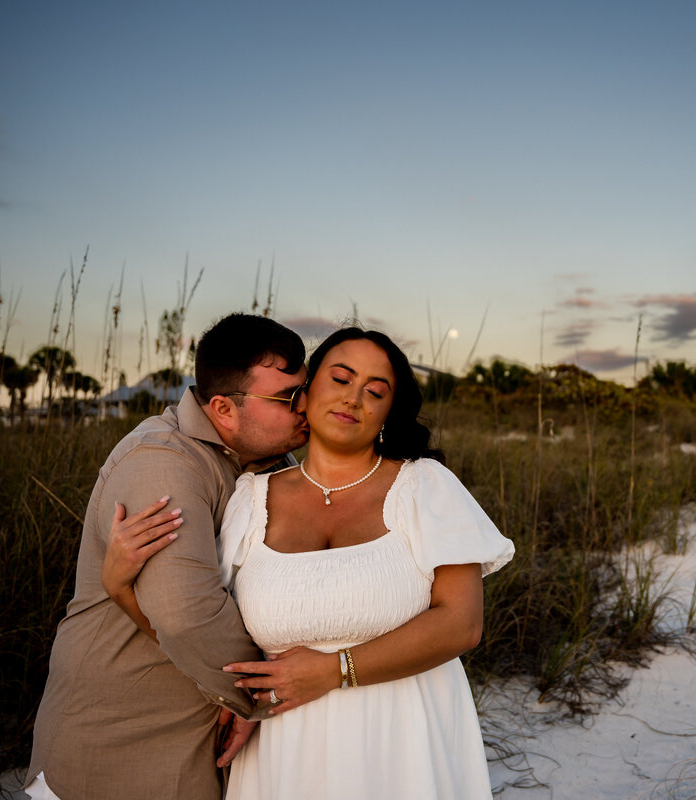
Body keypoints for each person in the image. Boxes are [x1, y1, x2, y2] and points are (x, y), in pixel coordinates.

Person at [104, 326, 514, 799]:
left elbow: (462, 624)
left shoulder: (426, 485)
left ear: (387, 411)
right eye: (340, 379)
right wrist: (121, 590)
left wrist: (335, 670)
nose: (354, 398)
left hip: (403, 741)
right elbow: (200, 626)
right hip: (286, 750)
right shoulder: (251, 499)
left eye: (375, 391)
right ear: (306, 392)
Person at [26, 313, 311, 800]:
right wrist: (267, 693)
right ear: (223, 408)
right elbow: (187, 615)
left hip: (201, 734)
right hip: (123, 737)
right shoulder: (162, 462)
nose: (305, 405)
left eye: (303, 390)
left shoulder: (270, 462)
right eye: (287, 398)